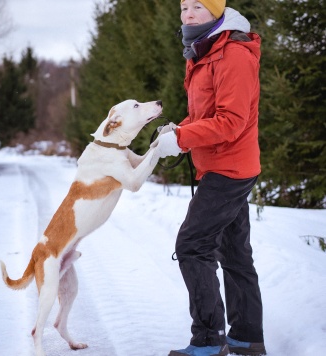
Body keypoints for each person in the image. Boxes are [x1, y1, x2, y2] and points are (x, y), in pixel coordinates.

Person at [151, 1, 267, 355]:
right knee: (233, 252)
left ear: (216, 11)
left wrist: (183, 140)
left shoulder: (232, 53)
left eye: (198, 7)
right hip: (220, 165)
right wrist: (180, 129)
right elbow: (206, 112)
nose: (188, 14)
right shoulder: (204, 50)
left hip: (228, 168)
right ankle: (246, 338)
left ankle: (207, 342)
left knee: (192, 246)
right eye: (184, 7)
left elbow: (232, 121)